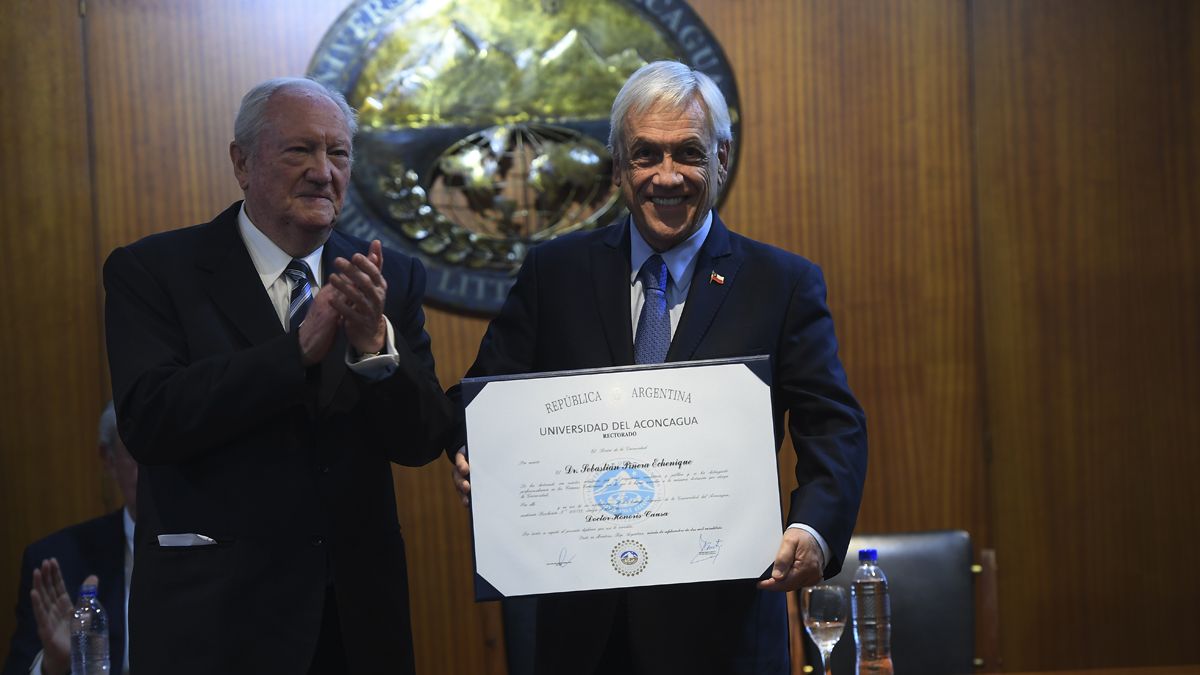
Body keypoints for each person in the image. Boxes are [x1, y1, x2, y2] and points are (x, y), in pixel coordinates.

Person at [449, 61, 868, 674]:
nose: (667, 177)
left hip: (725, 635)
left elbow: (834, 427)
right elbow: (481, 399)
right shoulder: (555, 274)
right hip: (583, 637)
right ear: (619, 166)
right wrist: (475, 454)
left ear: (721, 159)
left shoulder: (781, 284)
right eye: (646, 155)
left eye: (689, 154)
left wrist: (814, 530)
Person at [103, 77, 453, 674]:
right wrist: (295, 355)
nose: (323, 171)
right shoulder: (155, 270)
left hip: (357, 626)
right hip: (215, 624)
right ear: (242, 162)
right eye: (300, 151)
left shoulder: (387, 275)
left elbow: (422, 440)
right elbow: (151, 419)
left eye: (338, 153)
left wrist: (374, 351)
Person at [3, 403, 136, 675]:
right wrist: (53, 663)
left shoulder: (225, 553)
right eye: (137, 450)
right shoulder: (57, 562)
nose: (156, 466)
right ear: (109, 459)